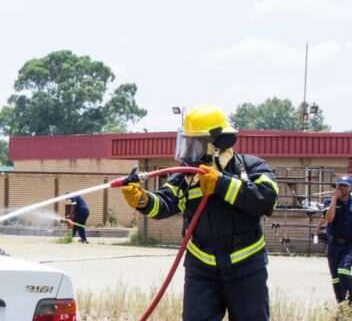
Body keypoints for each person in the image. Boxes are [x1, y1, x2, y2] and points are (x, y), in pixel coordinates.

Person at [119, 104, 279, 321]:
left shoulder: (251, 167)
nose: (189, 150)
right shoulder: (187, 176)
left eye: (195, 143)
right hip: (201, 267)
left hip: (246, 265)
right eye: (187, 142)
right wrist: (143, 200)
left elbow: (266, 200)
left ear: (217, 143)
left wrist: (221, 183)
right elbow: (166, 201)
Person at [323, 175, 352, 302]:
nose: (342, 188)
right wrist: (335, 198)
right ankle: (341, 303)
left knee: (344, 270)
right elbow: (329, 218)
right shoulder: (329, 202)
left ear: (350, 188)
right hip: (334, 244)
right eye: (340, 185)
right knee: (335, 276)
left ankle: (350, 300)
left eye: (345, 185)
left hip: (349, 245)